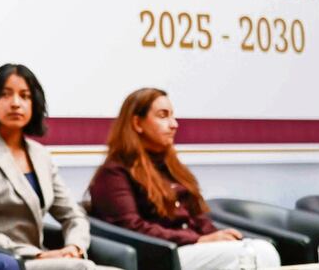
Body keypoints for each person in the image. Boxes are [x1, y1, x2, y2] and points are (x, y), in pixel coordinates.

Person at [88, 88, 279, 270]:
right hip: (163, 252)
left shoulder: (171, 167)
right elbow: (131, 227)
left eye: (172, 115)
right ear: (137, 123)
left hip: (192, 247)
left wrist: (214, 234)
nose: (174, 124)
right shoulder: (114, 172)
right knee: (253, 253)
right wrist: (196, 240)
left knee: (260, 248)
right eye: (163, 116)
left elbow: (197, 217)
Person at [0, 63, 121, 270]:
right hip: (9, 259)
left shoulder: (40, 154)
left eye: (24, 96)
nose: (15, 103)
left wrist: (74, 246)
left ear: (35, 104)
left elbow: (73, 214)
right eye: (5, 95)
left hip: (48, 257)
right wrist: (40, 254)